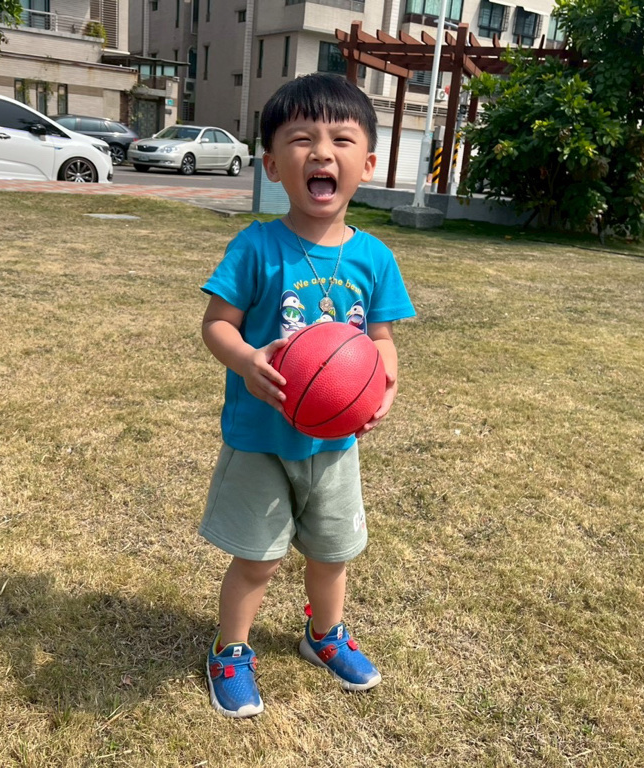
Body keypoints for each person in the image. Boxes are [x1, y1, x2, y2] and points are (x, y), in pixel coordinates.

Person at [199, 72, 415, 718]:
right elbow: (216, 324)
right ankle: (230, 651)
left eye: (342, 140)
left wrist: (385, 386)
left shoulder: (374, 258)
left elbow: (381, 339)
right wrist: (247, 360)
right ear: (272, 164)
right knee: (257, 561)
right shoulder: (257, 245)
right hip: (261, 439)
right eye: (301, 140)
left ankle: (324, 635)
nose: (322, 152)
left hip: (335, 444)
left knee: (332, 554)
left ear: (367, 164)